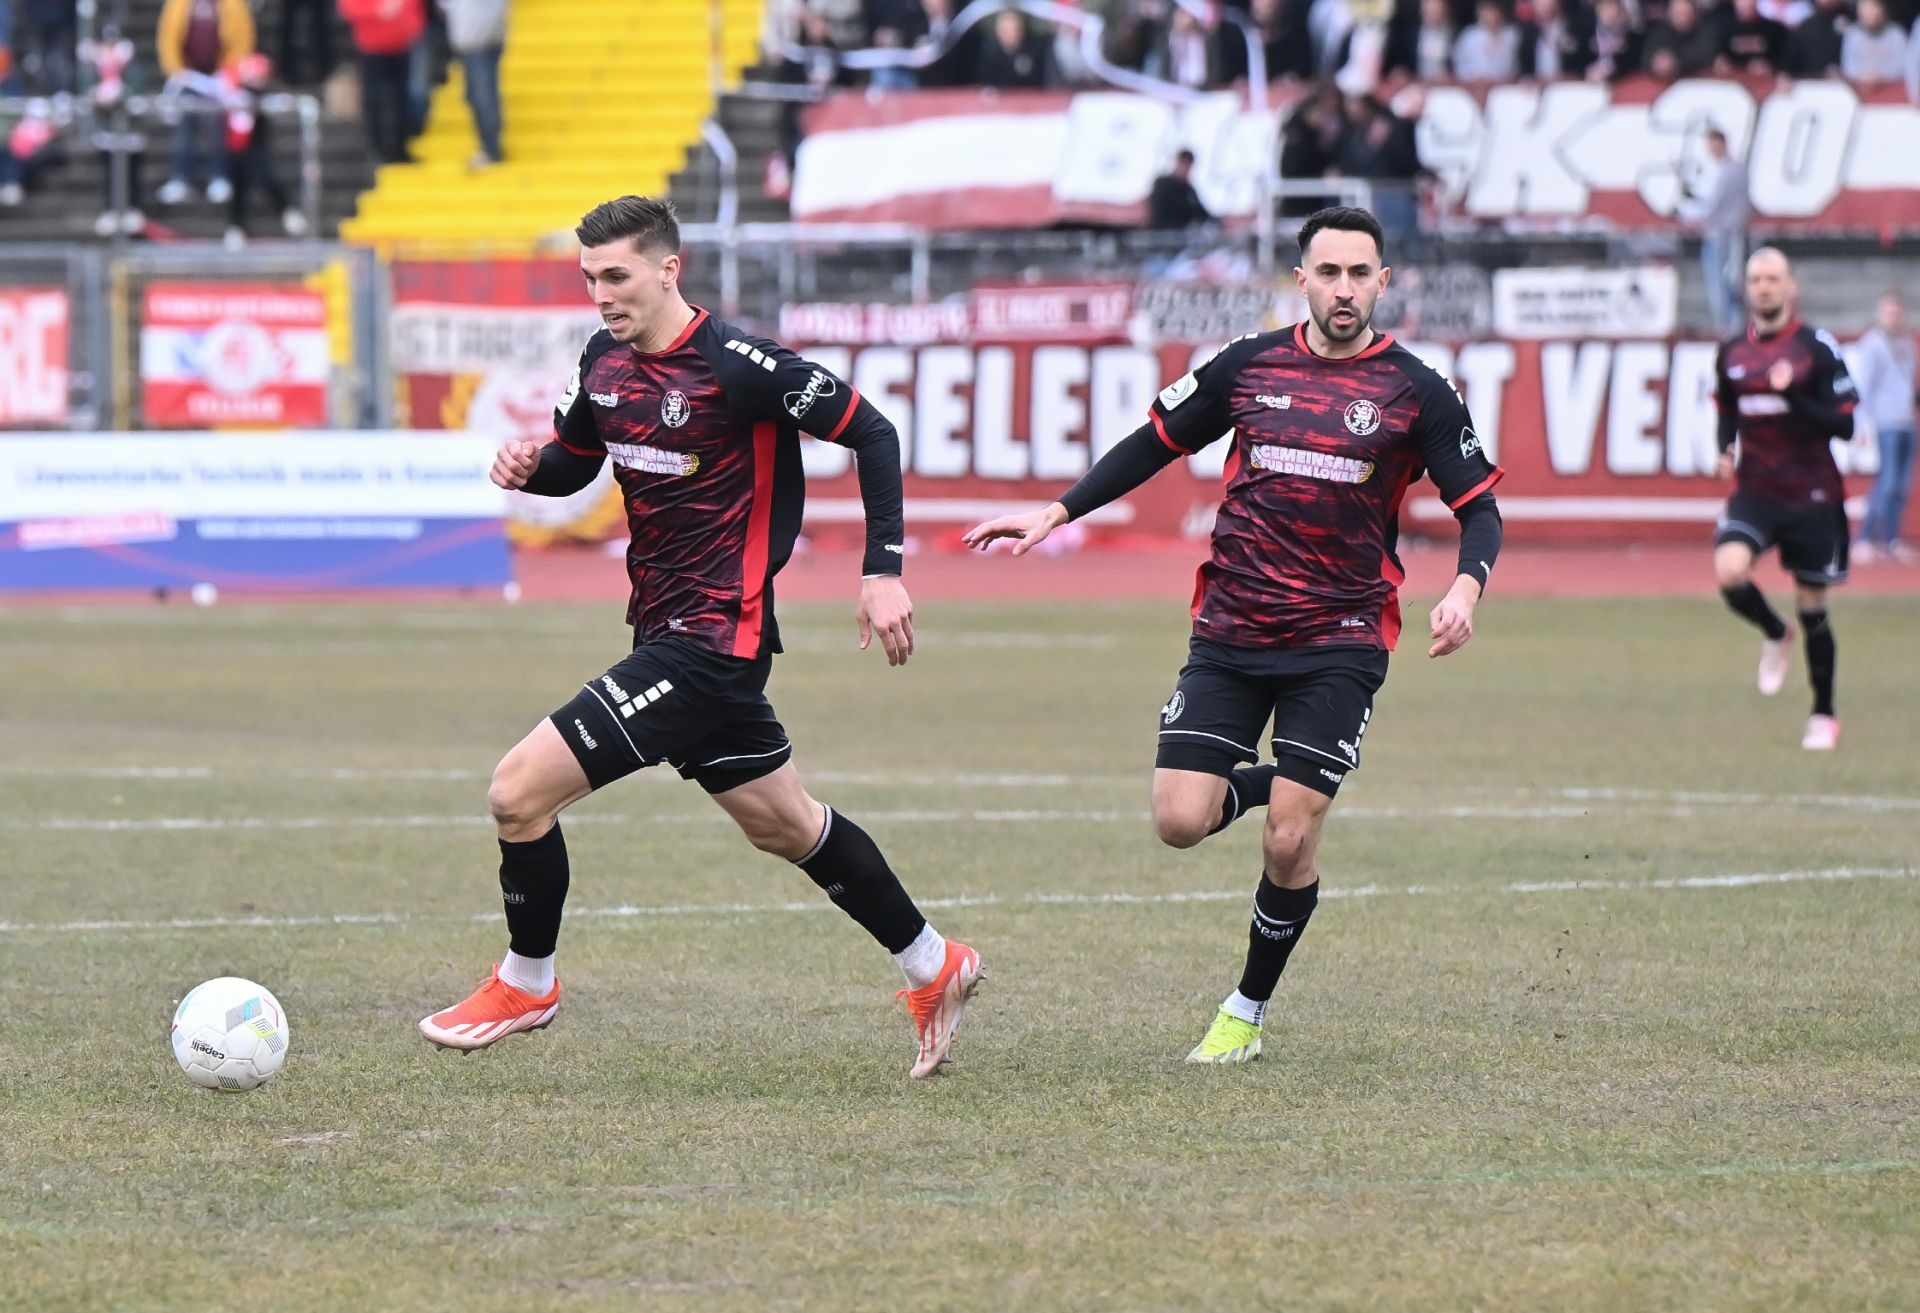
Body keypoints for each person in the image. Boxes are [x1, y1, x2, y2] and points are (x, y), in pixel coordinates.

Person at [419, 196, 982, 1079]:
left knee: (516, 793)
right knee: (785, 824)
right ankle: (933, 962)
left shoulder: (740, 366)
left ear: (668, 269)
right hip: (667, 631)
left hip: (712, 642)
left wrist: (882, 571)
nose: (601, 294)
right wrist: (532, 467)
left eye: (617, 276)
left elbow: (872, 430)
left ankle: (528, 982)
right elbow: (575, 461)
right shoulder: (602, 361)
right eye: (590, 278)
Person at [961, 206, 1503, 1065]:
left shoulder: (1418, 389)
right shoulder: (1248, 364)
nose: (1345, 289)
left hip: (1341, 635)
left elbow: (1480, 509)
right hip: (1233, 627)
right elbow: (1154, 443)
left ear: (1384, 282)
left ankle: (1245, 1010)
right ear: (1301, 279)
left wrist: (1466, 589)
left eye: (1360, 274)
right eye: (1330, 273)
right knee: (1180, 820)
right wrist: (1058, 510)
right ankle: (1286, 780)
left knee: (1290, 838)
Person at [1711, 248, 1859, 751]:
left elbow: (1844, 424)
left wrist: (1792, 394)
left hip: (1813, 495)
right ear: (1746, 287)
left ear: (1791, 286)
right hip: (1757, 491)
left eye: (1773, 278)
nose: (1764, 287)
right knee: (1729, 571)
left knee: (1813, 607)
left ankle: (1823, 714)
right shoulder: (1732, 351)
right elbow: (1727, 408)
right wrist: (1724, 447)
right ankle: (1775, 633)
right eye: (1756, 278)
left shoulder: (1816, 348)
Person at [1855, 292, 1917, 563]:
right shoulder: (1872, 344)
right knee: (1887, 482)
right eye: (1889, 313)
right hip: (1886, 422)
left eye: (1897, 313)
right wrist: (1862, 424)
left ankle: (1891, 539)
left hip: (1907, 422)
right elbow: (1865, 386)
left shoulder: (1907, 344)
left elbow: (1909, 384)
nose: (1893, 318)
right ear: (1880, 315)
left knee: (1902, 486)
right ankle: (1864, 538)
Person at [1679, 127, 1750, 337]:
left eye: (1713, 144)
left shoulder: (1729, 171)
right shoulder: (1723, 170)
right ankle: (1729, 328)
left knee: (1723, 284)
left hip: (1724, 233)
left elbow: (1712, 205)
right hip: (1719, 232)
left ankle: (1730, 330)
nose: (1711, 149)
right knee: (1722, 283)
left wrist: (1688, 208)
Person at [444, 0, 506, 168]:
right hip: (473, 37)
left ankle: (491, 148)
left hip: (478, 39)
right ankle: (489, 145)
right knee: (476, 95)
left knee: (483, 95)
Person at [1147, 148, 1212, 230]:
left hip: (1181, 234)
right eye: (1184, 164)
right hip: (1161, 233)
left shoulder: (1188, 189)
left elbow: (1201, 213)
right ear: (1177, 163)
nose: (1185, 169)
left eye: (1188, 166)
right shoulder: (1162, 184)